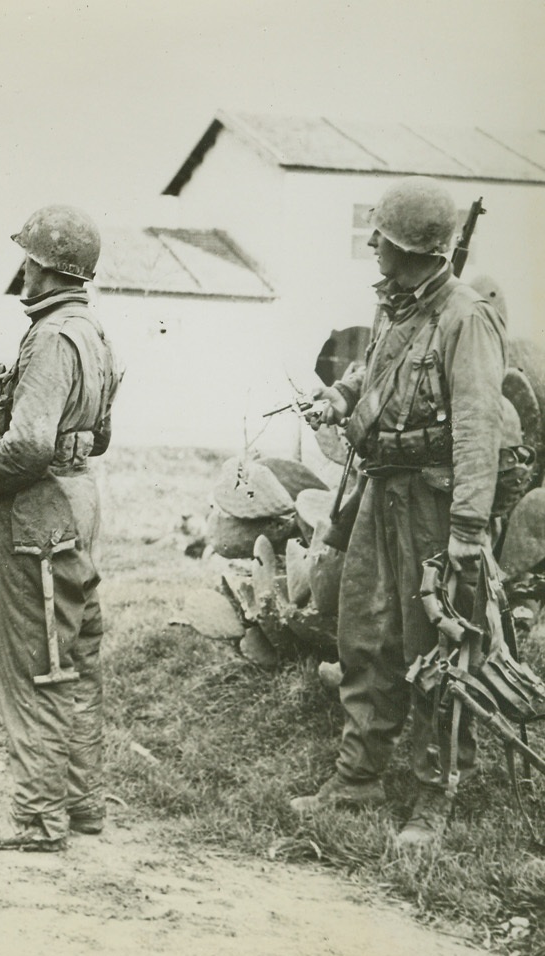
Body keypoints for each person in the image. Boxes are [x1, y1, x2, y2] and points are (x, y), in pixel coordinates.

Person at [292, 176, 507, 850]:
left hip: (434, 508)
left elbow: (478, 431)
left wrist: (468, 531)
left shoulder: (465, 317)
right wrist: (336, 398)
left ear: (408, 247)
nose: (372, 246)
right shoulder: (400, 306)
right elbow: (372, 374)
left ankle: (434, 798)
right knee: (364, 636)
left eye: (380, 237)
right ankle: (358, 778)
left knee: (439, 651)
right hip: (380, 494)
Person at [0, 205, 120, 851]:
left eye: (28, 257)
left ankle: (35, 818)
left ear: (47, 266)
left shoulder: (51, 336)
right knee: (74, 659)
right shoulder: (92, 332)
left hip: (39, 513)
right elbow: (98, 435)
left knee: (36, 667)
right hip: (77, 504)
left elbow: (27, 446)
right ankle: (81, 805)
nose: (20, 268)